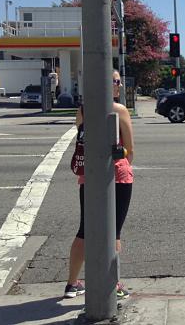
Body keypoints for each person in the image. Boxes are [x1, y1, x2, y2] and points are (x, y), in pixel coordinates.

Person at [64, 70, 134, 299]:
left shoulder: (83, 110)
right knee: (113, 231)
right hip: (118, 176)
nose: (119, 85)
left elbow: (81, 139)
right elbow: (129, 151)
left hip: (89, 175)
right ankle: (112, 285)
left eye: (119, 81)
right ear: (105, 84)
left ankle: (72, 283)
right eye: (115, 81)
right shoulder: (120, 110)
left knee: (85, 230)